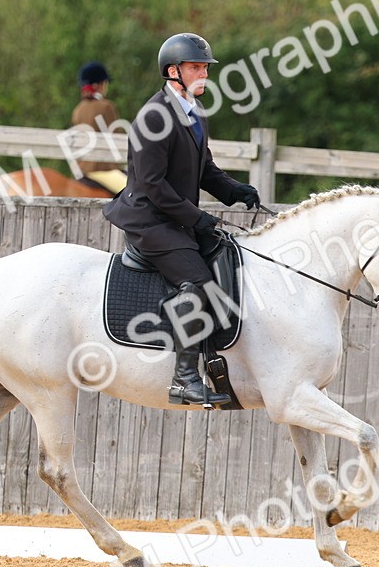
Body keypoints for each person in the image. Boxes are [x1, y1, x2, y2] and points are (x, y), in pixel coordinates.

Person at [102, 32, 261, 406]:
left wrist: (235, 190)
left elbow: (204, 169)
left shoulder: (194, 111)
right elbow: (154, 186)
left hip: (175, 220)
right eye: (196, 67)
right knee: (199, 282)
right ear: (172, 71)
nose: (203, 74)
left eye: (205, 67)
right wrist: (199, 217)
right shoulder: (152, 118)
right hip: (149, 221)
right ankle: (184, 379)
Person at [71, 61, 126, 194]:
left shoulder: (78, 109)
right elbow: (116, 138)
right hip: (104, 170)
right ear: (100, 84)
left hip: (82, 170)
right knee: (136, 193)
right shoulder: (107, 106)